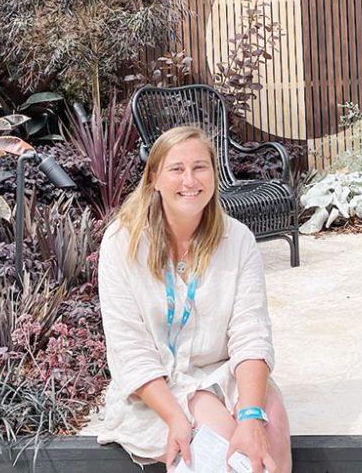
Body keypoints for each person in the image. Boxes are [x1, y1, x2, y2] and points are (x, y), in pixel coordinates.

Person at [97, 125, 292, 473]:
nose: (190, 180)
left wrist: (249, 414)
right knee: (224, 453)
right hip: (156, 389)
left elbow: (251, 334)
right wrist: (176, 417)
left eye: (200, 167)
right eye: (177, 169)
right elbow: (130, 351)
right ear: (154, 178)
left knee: (270, 428)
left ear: (214, 175)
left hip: (225, 374)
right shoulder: (121, 243)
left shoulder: (238, 240)